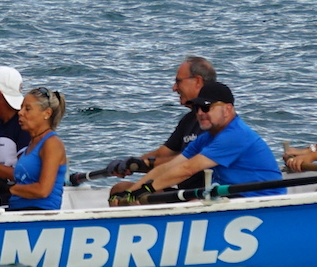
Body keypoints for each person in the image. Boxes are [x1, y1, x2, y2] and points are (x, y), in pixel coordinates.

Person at [114, 82, 283, 202]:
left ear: (228, 109)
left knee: (193, 203)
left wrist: (146, 189)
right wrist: (132, 191)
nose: (200, 113)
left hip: (260, 199)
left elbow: (187, 169)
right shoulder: (206, 139)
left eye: (207, 107)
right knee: (121, 190)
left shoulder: (235, 135)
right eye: (197, 108)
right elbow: (170, 166)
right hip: (228, 195)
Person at [99, 56, 213, 192]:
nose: (174, 88)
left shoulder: (215, 122)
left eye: (178, 82)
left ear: (198, 81)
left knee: (135, 196)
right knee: (119, 189)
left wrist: (143, 165)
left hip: (208, 194)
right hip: (185, 192)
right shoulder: (189, 119)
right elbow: (162, 153)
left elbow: (189, 163)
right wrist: (130, 163)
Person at [7, 87, 68, 211]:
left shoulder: (52, 143)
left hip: (39, 212)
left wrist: (11, 189)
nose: (20, 112)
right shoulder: (32, 144)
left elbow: (43, 190)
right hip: (18, 210)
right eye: (21, 107)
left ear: (47, 113)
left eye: (27, 109)